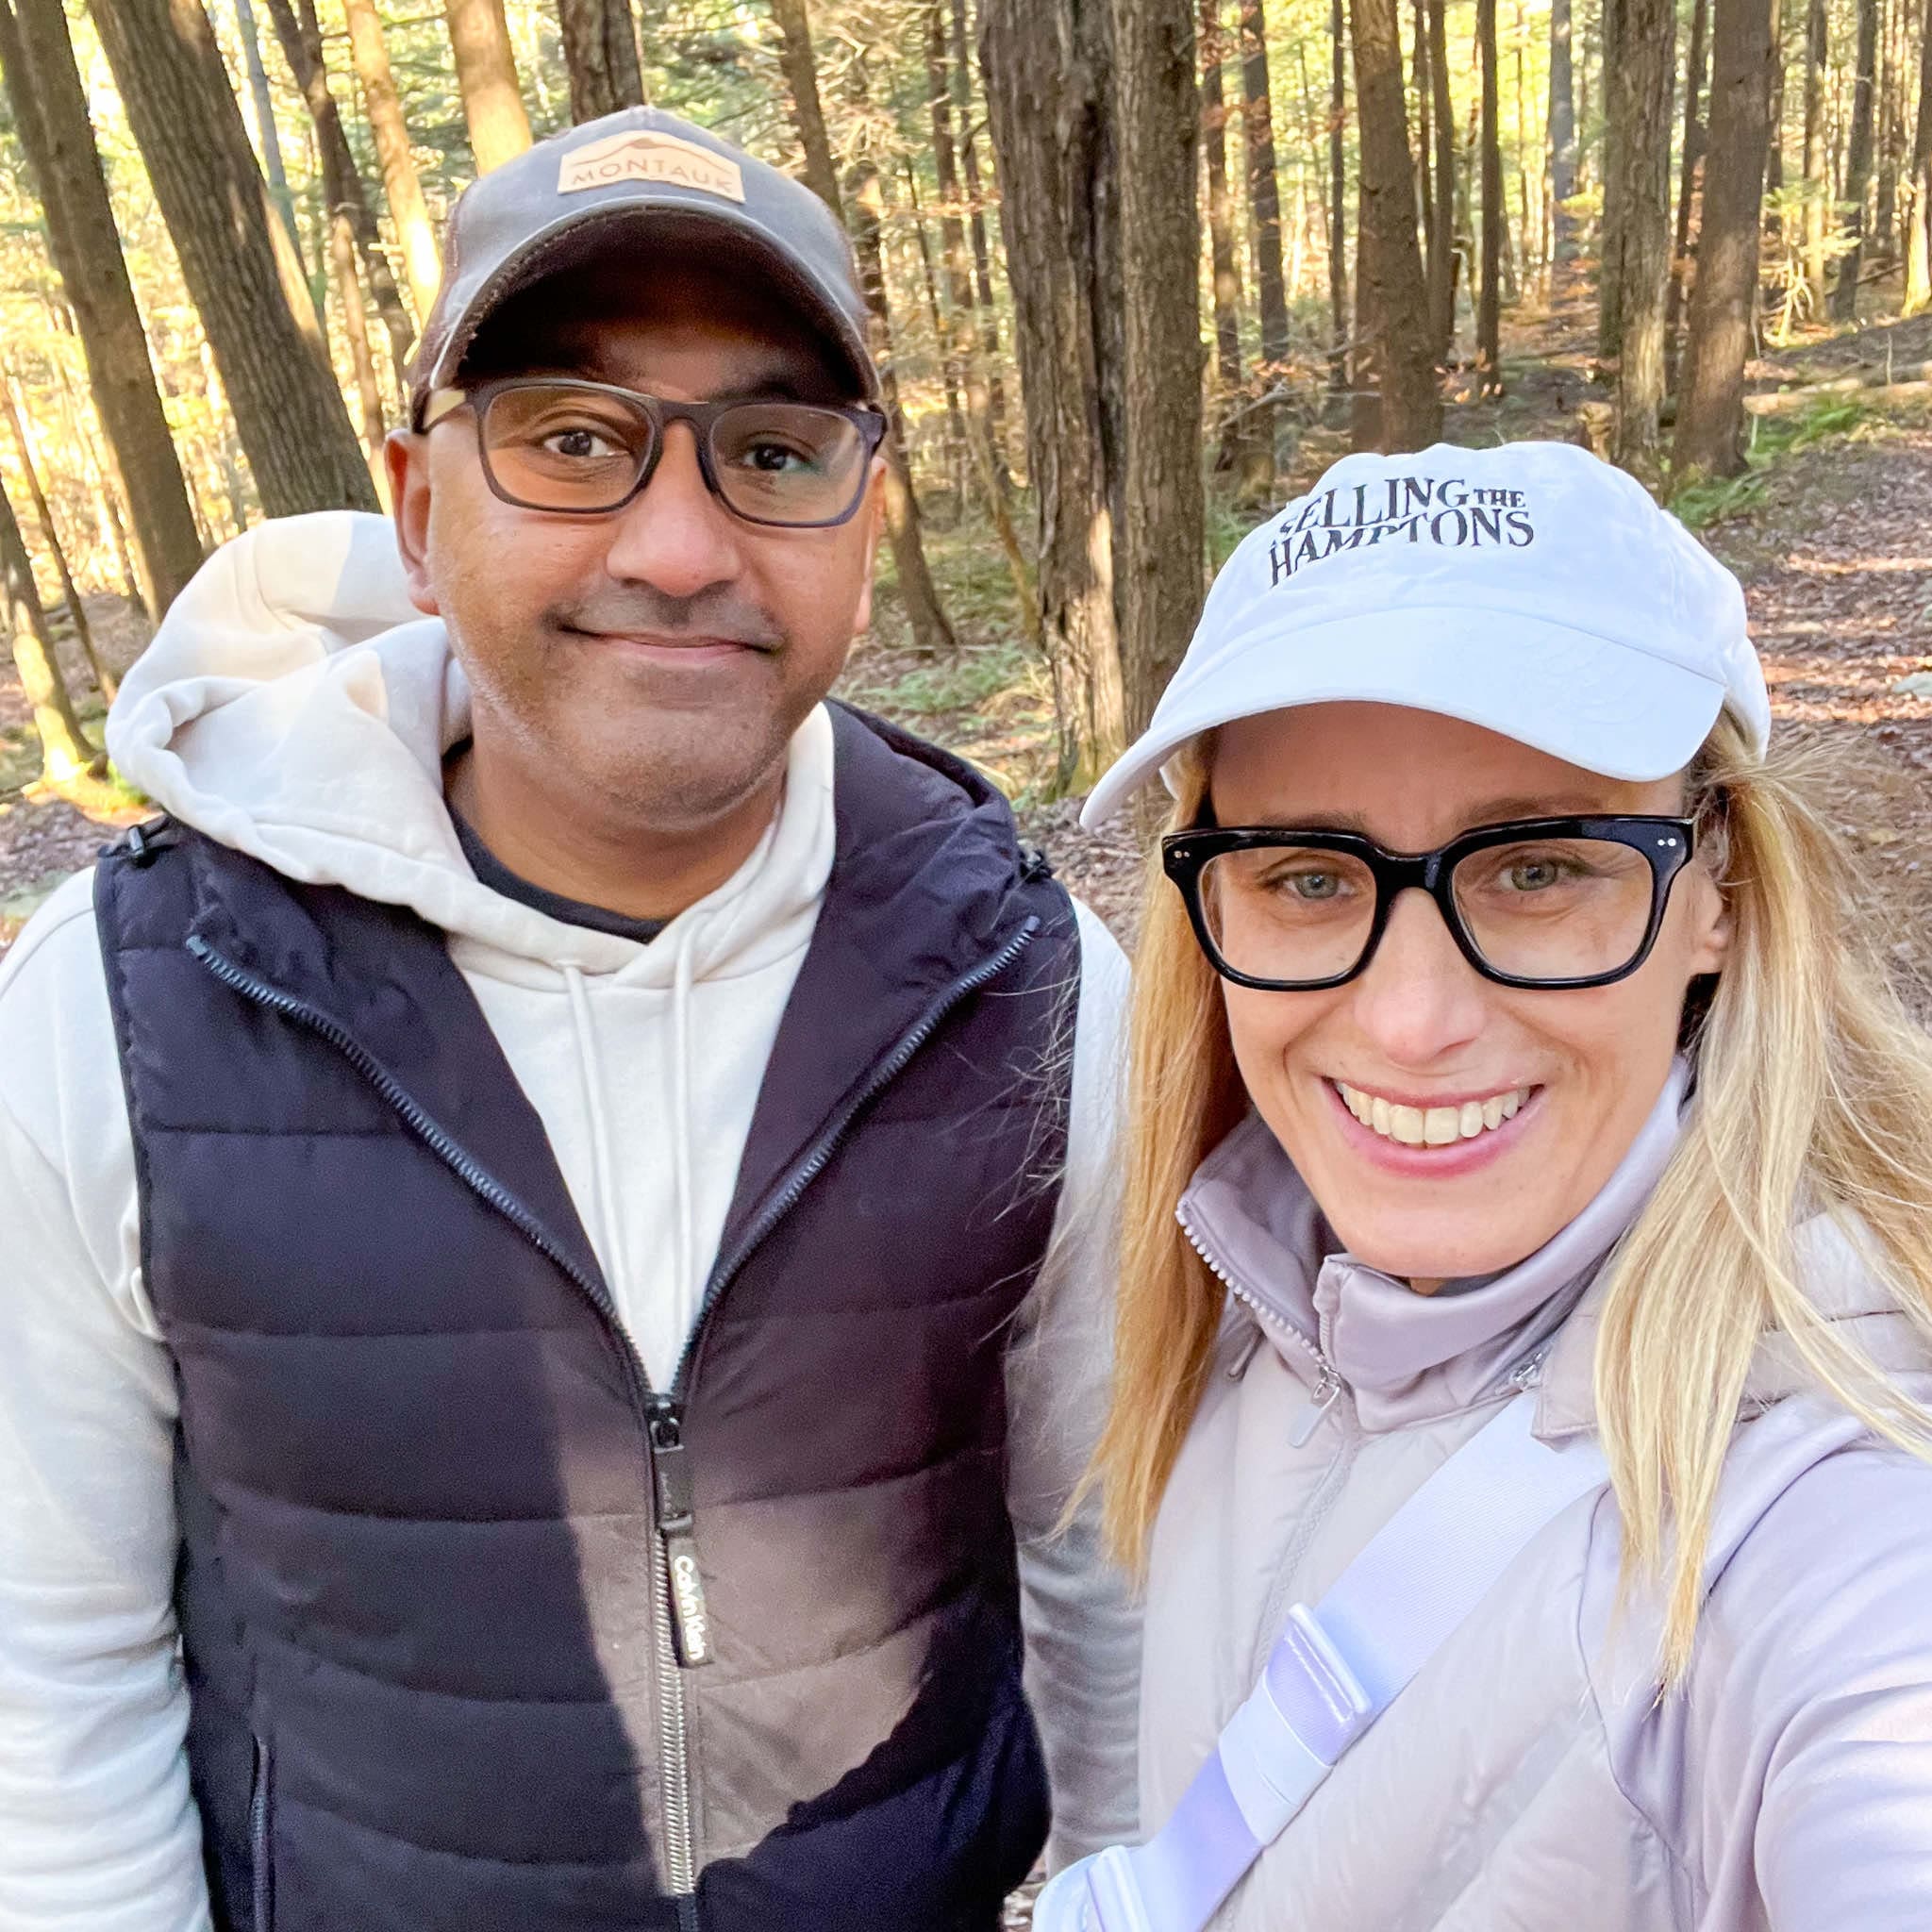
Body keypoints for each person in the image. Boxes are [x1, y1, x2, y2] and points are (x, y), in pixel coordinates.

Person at [0, 108, 1138, 1932]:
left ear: (865, 514)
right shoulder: (121, 1008)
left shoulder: (1039, 985)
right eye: (573, 440)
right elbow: (47, 1672)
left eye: (772, 450)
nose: (680, 545)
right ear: (417, 507)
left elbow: (1112, 1563)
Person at [1045, 441, 1932, 1931]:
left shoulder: (1823, 1512)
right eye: (1308, 874)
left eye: (1537, 868)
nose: (1408, 1020)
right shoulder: (1253, 1294)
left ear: (1714, 886)